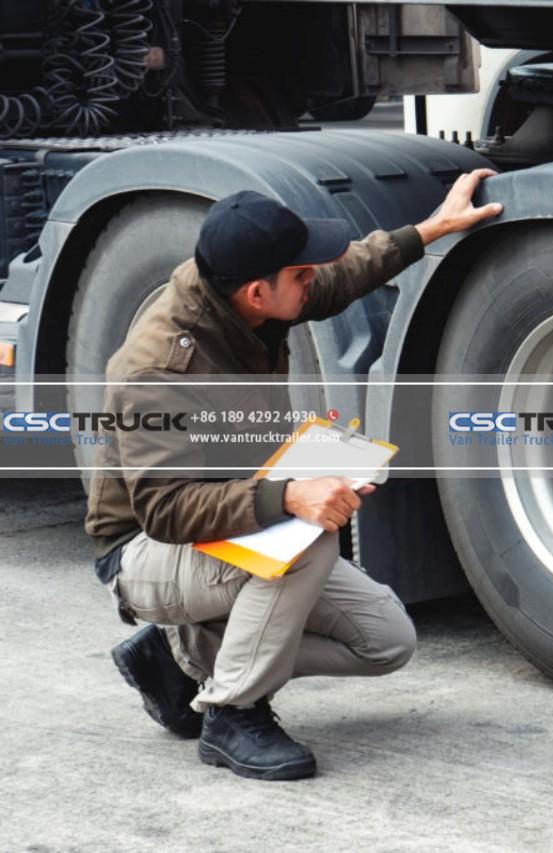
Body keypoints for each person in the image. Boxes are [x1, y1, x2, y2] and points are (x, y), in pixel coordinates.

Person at [83, 171, 502, 781]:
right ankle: (232, 714)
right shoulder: (159, 371)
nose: (313, 283)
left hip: (226, 523)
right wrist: (290, 495)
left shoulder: (246, 300)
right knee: (307, 542)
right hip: (143, 551)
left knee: (385, 641)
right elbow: (165, 510)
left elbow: (340, 275)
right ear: (257, 292)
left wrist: (430, 229)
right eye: (300, 276)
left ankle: (185, 656)